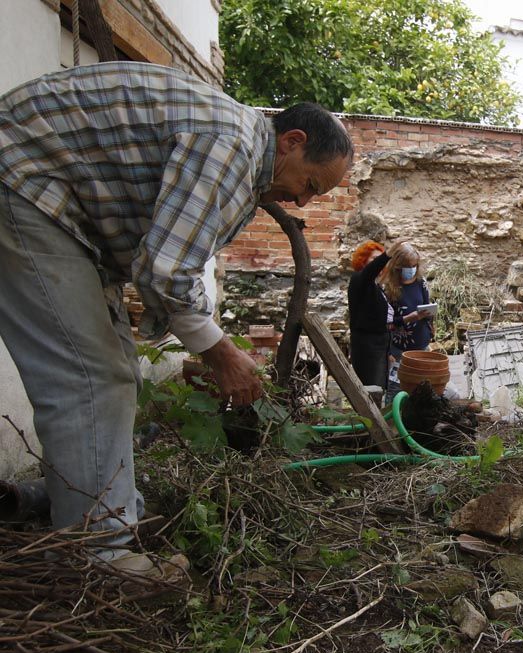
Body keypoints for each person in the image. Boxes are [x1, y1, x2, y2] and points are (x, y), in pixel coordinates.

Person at [0, 62, 353, 577]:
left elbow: (167, 261)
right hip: (22, 184)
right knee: (91, 378)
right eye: (309, 185)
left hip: (59, 209)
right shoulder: (230, 144)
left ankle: (81, 507)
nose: (301, 202)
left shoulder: (238, 148)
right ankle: (100, 558)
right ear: (292, 142)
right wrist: (220, 352)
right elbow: (166, 271)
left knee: (117, 370)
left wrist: (208, 339)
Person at [382, 242, 435, 402]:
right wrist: (408, 318)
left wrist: (431, 323)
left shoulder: (421, 282)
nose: (411, 269)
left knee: (422, 389)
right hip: (399, 349)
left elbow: (427, 305)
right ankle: (391, 421)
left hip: (421, 346)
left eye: (414, 265)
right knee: (395, 389)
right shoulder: (388, 288)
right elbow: (386, 322)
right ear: (398, 265)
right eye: (407, 266)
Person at [347, 240, 391, 391]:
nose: (379, 263)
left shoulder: (375, 286)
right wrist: (387, 255)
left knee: (379, 389)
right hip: (367, 346)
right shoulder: (359, 279)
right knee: (372, 389)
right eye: (374, 259)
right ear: (363, 260)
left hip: (379, 344)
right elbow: (369, 272)